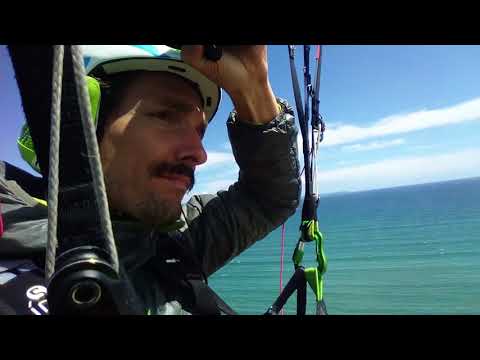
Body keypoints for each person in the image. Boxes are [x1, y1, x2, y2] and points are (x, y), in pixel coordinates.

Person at [0, 45, 301, 315]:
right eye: (166, 116)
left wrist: (254, 88)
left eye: (200, 132)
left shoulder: (168, 245)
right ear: (81, 124)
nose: (199, 154)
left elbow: (268, 197)